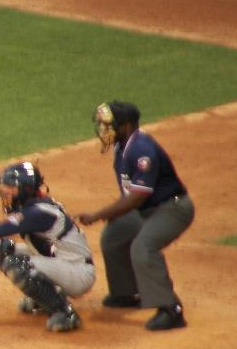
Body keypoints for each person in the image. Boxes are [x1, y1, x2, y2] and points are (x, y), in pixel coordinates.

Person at [77, 101, 194, 331]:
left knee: (143, 247)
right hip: (145, 210)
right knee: (114, 235)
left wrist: (98, 214)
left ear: (126, 125)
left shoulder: (142, 149)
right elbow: (129, 195)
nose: (103, 129)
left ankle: (171, 309)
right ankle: (126, 293)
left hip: (172, 209)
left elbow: (137, 197)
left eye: (109, 124)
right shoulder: (123, 146)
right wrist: (115, 215)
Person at [0, 161, 95, 333]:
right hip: (60, 261)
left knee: (17, 265)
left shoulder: (38, 212)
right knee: (2, 248)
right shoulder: (33, 206)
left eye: (11, 188)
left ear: (25, 189)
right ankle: (44, 299)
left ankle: (65, 313)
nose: (5, 192)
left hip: (77, 272)